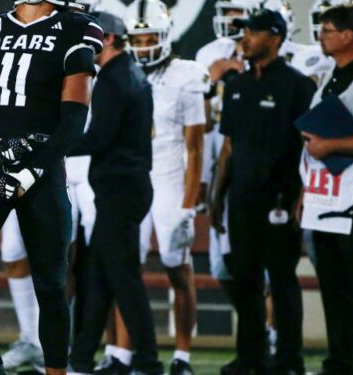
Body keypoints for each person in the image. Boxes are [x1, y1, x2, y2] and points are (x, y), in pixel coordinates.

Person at [0, 0, 102, 373]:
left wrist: (30, 173)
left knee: (50, 282)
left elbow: (72, 123)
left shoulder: (75, 28)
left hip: (43, 162)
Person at [210, 8, 316, 374]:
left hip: (280, 199)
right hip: (240, 200)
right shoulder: (236, 86)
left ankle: (289, 359)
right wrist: (216, 195)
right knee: (245, 281)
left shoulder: (298, 85)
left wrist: (303, 197)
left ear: (275, 37)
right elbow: (229, 147)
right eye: (244, 33)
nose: (245, 39)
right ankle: (251, 357)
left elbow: (310, 145)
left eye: (253, 33)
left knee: (283, 282)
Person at [66, 11, 162, 375]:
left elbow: (99, 137)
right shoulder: (130, 74)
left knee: (122, 279)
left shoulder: (112, 79)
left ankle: (148, 361)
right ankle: (80, 359)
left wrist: (53, 146)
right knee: (99, 275)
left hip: (120, 190)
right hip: (127, 187)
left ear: (107, 39)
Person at [297, 4, 353, 374]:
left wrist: (332, 146)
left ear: (348, 35)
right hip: (325, 197)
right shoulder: (330, 78)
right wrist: (306, 193)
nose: (321, 35)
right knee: (332, 286)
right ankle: (339, 361)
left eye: (328, 29)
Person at [119, 1, 207, 374]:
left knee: (176, 266)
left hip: (170, 177)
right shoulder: (119, 72)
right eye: (137, 38)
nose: (143, 45)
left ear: (166, 35)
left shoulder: (186, 74)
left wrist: (189, 203)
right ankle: (125, 353)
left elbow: (195, 146)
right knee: (125, 270)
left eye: (150, 36)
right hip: (132, 178)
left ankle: (182, 355)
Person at [195, 0, 258, 307]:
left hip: (258, 165)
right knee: (222, 265)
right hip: (221, 163)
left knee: (260, 263)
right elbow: (202, 123)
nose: (229, 18)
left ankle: (271, 335)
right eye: (227, 10)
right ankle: (254, 327)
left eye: (236, 11)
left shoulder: (277, 56)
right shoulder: (209, 54)